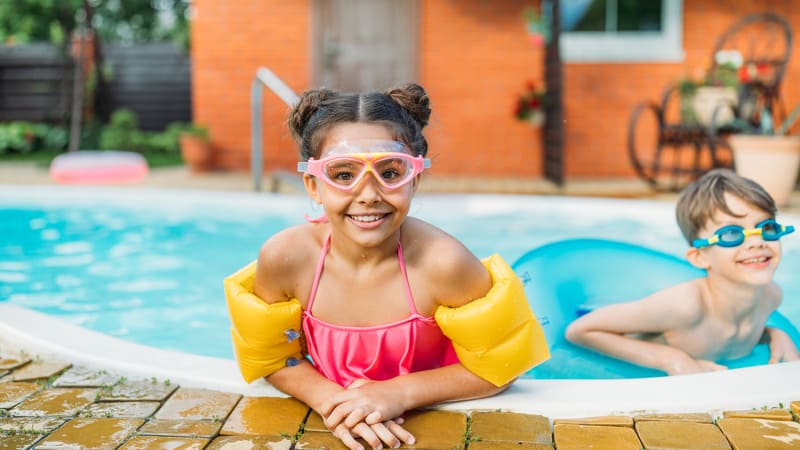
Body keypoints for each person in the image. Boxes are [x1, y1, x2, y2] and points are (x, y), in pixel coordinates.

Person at [224, 83, 550, 450]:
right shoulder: (286, 258)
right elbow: (271, 356)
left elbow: (502, 367)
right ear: (313, 186)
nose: (368, 194)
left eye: (390, 173)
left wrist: (396, 393)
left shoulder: (444, 264)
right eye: (343, 175)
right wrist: (334, 401)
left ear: (416, 179)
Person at [566, 168, 798, 376]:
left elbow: (738, 330)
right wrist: (672, 359)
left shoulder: (770, 296)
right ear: (699, 257)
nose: (757, 242)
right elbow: (580, 330)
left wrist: (775, 334)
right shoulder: (684, 306)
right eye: (731, 234)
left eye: (766, 228)